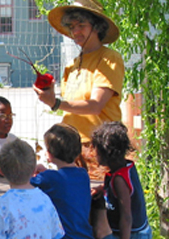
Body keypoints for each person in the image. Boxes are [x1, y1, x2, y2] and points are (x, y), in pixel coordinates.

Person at [33, 0, 124, 181]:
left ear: (97, 27)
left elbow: (95, 105)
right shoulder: (71, 66)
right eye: (71, 26)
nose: (75, 32)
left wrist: (56, 103)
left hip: (101, 146)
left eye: (81, 25)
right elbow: (72, 108)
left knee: (101, 203)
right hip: (72, 148)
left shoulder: (108, 58)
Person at [91, 121, 152, 239]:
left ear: (106, 152)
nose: (93, 154)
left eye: (96, 150)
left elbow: (127, 217)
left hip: (135, 237)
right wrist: (102, 190)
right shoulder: (122, 169)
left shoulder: (119, 180)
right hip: (136, 234)